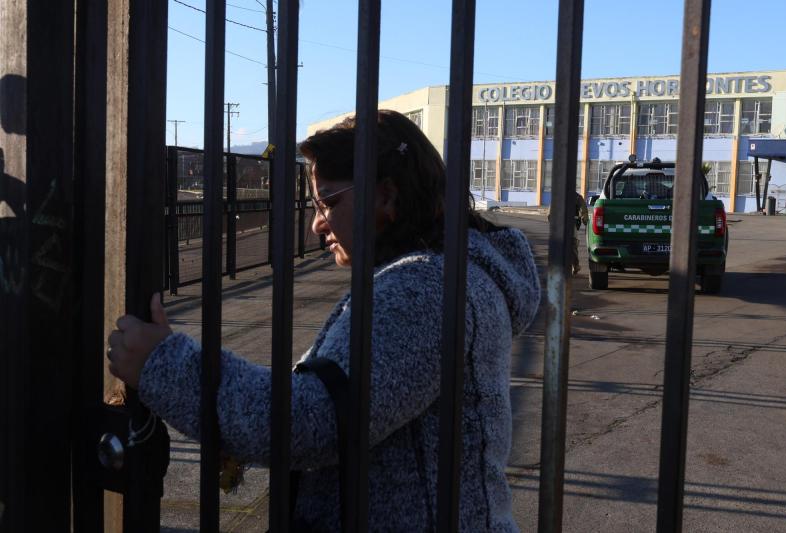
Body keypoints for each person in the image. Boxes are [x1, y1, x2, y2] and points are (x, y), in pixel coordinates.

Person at [107, 110, 541, 531]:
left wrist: (163, 365)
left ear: (387, 196)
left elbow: (312, 421)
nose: (316, 224)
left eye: (328, 201)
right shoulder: (443, 278)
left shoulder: (424, 291)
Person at [547, 191, 589, 276]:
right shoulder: (577, 197)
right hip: (569, 224)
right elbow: (584, 211)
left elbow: (550, 212)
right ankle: (575, 265)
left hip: (561, 224)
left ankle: (564, 265)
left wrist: (552, 221)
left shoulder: (559, 195)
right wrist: (586, 222)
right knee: (572, 244)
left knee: (561, 244)